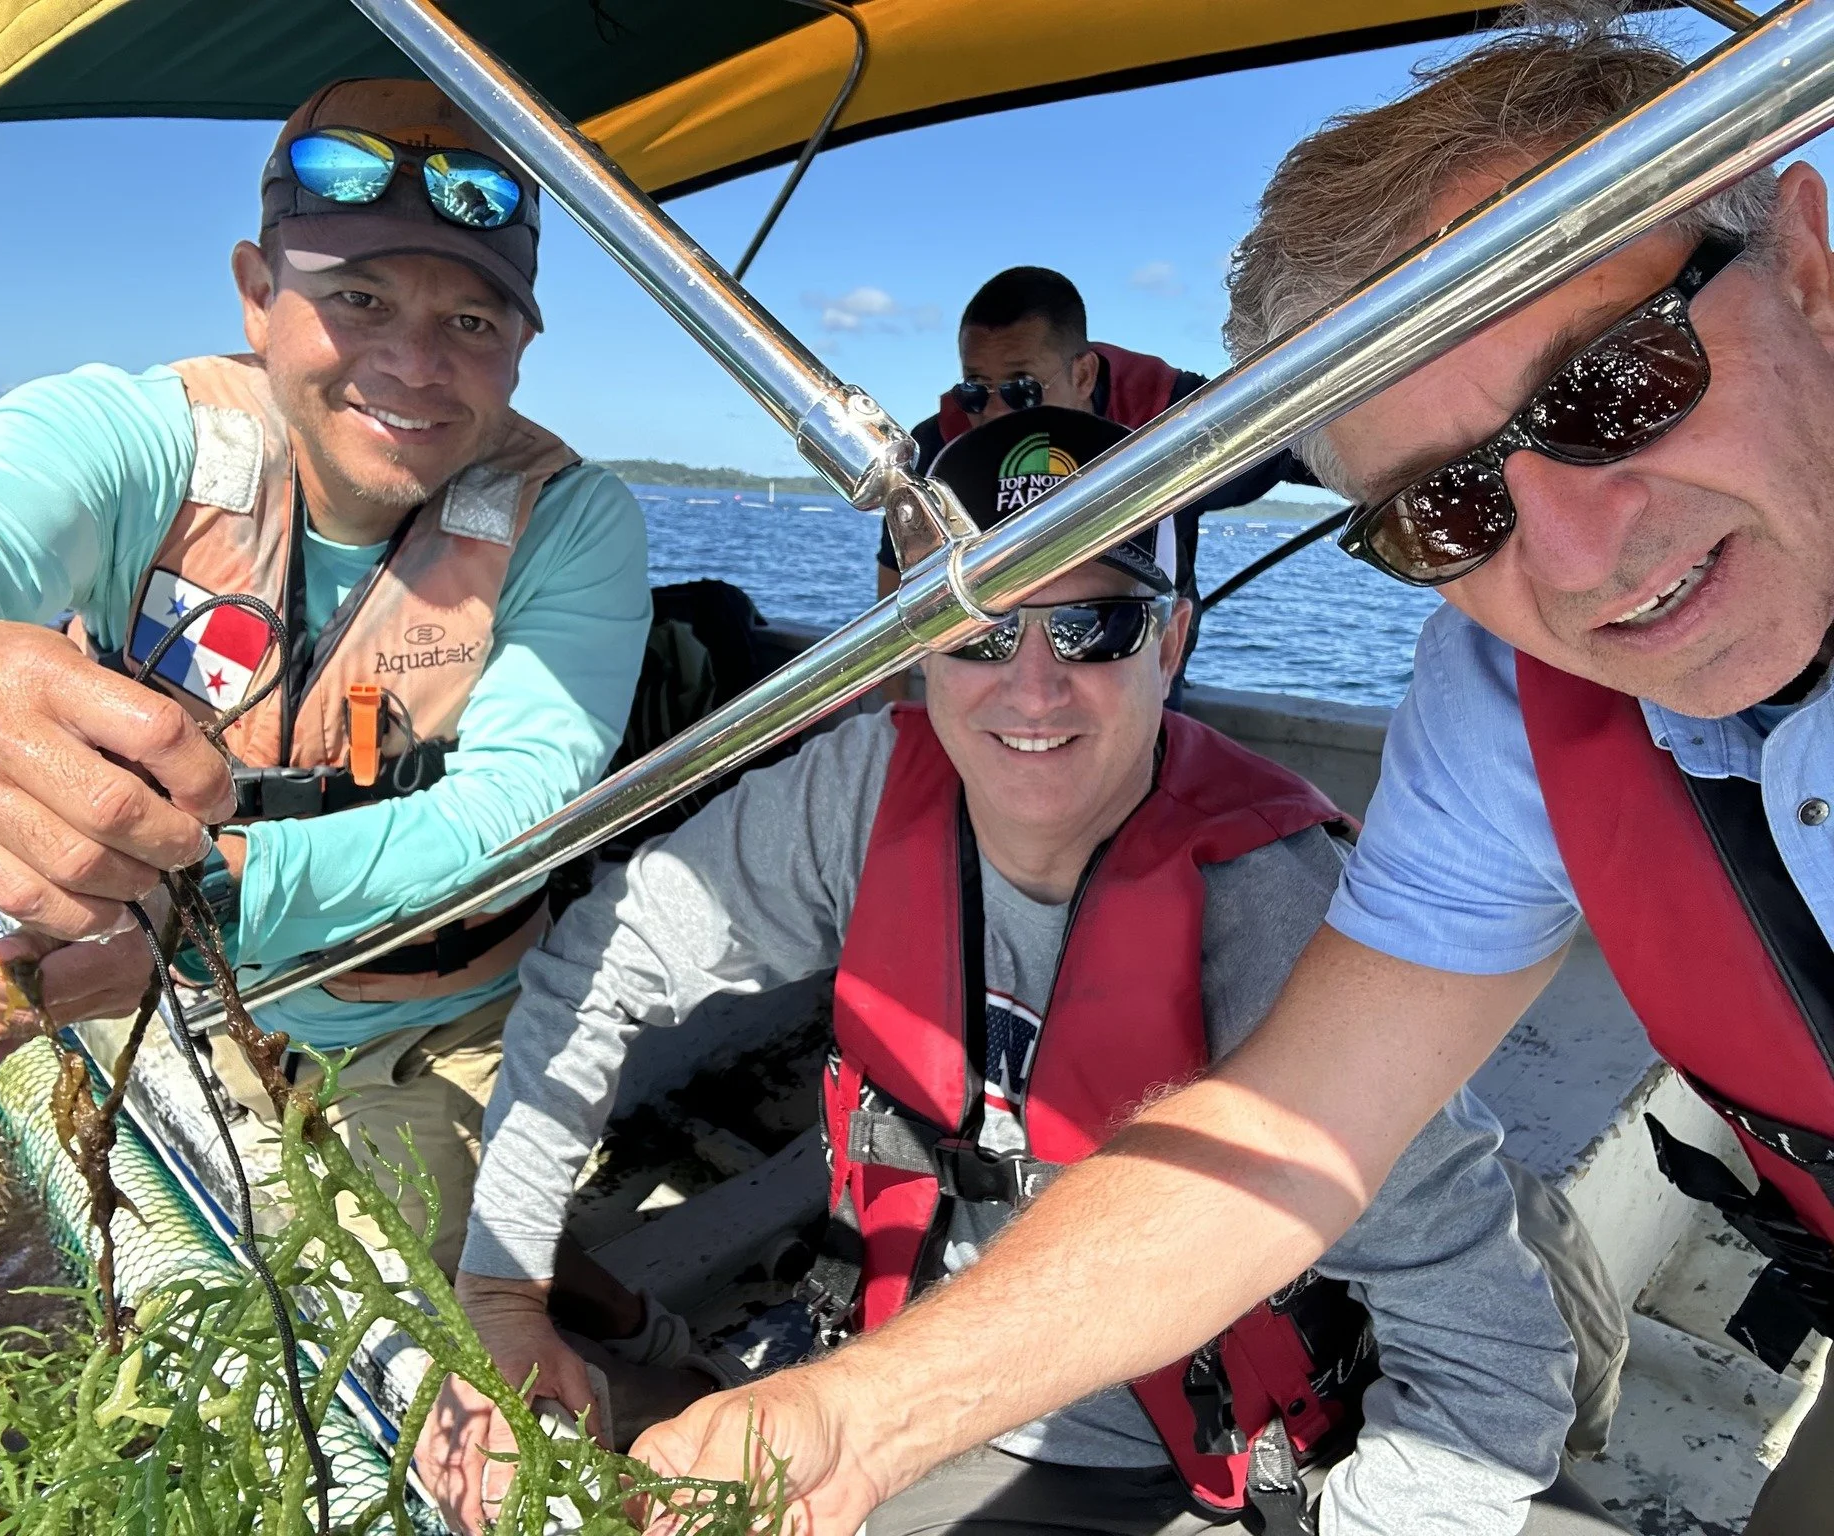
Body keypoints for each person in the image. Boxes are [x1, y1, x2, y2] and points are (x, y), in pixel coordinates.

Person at [626, 16, 1834, 1535]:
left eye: (1616, 386)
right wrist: (858, 1421)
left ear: (1803, 262)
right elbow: (1288, 1134)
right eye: (1446, 508)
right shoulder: (1510, 698)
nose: (1584, 556)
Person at [418, 407, 1625, 1535]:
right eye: (981, 624)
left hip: (1169, 1444)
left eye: (1092, 626)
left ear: (1173, 640)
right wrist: (506, 1288)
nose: (1033, 684)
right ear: (913, 649)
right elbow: (602, 959)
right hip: (890, 1346)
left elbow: (1488, 1358)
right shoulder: (853, 801)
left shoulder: (1272, 909)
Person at [0, 78, 651, 1277]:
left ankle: (601, 1319)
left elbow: (517, 808)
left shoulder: (572, 520)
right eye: (357, 298)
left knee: (442, 1339)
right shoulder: (140, 437)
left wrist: (200, 916)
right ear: (257, 294)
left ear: (520, 350)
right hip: (164, 1004)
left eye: (472, 322)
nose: (412, 363)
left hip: (420, 1025)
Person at [872, 268, 1313, 634]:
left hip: (1130, 647)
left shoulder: (1178, 419)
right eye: (974, 390)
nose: (993, 413)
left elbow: (1309, 443)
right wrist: (893, 711)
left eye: (1021, 389)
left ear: (1083, 376)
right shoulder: (938, 448)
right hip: (985, 647)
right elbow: (899, 583)